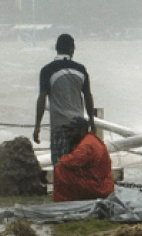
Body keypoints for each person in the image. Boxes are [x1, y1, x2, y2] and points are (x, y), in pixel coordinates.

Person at [32, 33, 95, 164]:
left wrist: (37, 126)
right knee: (80, 169)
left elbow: (42, 99)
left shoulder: (47, 70)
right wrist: (92, 123)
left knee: (61, 170)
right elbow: (88, 96)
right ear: (72, 49)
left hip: (60, 129)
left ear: (56, 48)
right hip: (80, 129)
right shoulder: (81, 69)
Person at [52, 117, 114, 202]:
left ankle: (64, 201)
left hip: (99, 187)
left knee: (60, 170)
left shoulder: (86, 145)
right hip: (103, 184)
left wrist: (61, 160)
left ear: (81, 130)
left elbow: (71, 161)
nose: (68, 134)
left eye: (72, 130)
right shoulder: (91, 139)